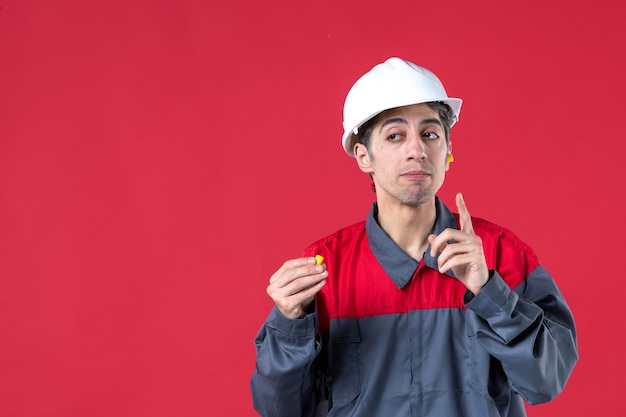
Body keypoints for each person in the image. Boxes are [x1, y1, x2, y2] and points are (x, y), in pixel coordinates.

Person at [250, 57, 578, 417]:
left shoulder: (502, 254)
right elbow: (279, 410)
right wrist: (290, 325)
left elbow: (547, 381)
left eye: (430, 134)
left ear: (448, 150)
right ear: (364, 156)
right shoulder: (324, 270)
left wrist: (489, 294)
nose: (416, 150)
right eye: (395, 136)